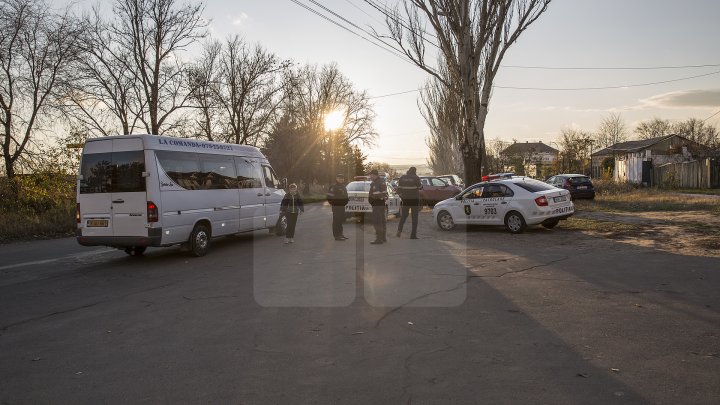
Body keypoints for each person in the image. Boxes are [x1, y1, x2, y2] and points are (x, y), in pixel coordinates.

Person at [395, 166, 423, 239]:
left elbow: (398, 190)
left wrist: (402, 197)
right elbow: (420, 187)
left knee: (403, 216)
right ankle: (413, 235)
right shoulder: (416, 178)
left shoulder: (402, 177)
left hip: (405, 200)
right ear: (415, 171)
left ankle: (399, 231)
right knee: (414, 218)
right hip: (414, 200)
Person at [368, 169, 389, 244]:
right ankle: (383, 238)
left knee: (377, 221)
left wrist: (373, 199)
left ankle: (379, 239)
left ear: (374, 175)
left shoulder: (377, 182)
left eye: (371, 175)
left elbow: (380, 194)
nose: (370, 176)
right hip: (380, 204)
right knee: (382, 221)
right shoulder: (380, 181)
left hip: (377, 204)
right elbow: (384, 194)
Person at [326, 173, 349, 241]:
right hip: (336, 207)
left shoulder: (343, 186)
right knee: (336, 221)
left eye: (342, 178)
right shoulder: (333, 186)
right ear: (336, 179)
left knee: (340, 221)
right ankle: (336, 236)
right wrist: (334, 204)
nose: (341, 179)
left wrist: (345, 202)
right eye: (339, 178)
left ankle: (340, 234)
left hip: (342, 207)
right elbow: (329, 197)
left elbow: (345, 196)